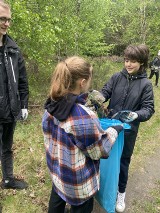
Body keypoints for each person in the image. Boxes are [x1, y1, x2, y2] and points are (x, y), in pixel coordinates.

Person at [42, 56, 123, 213]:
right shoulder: (83, 116)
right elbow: (100, 150)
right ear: (82, 82)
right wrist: (114, 131)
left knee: (56, 200)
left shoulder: (51, 103)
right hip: (78, 184)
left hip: (58, 173)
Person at [101, 44, 155, 213]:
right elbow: (105, 92)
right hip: (109, 127)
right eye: (126, 60)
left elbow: (148, 109)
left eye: (133, 61)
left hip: (128, 131)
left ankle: (121, 193)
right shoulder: (117, 77)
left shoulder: (146, 84)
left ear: (142, 63)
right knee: (104, 157)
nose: (128, 64)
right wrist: (99, 97)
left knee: (123, 162)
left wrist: (136, 115)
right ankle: (102, 188)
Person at [0, 1, 29, 189]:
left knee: (7, 148)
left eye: (9, 20)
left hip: (10, 110)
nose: (7, 23)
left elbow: (23, 80)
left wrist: (24, 104)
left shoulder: (13, 48)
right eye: (2, 18)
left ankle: (8, 180)